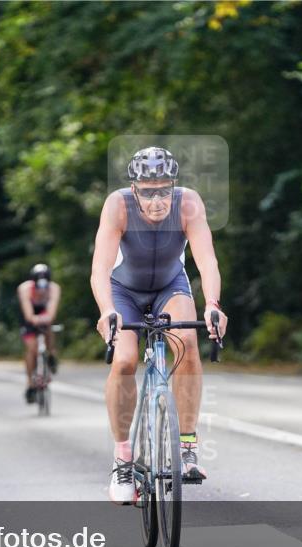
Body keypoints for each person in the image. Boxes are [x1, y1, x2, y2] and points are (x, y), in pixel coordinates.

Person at [90, 146, 228, 504]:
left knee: (187, 340)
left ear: (174, 187)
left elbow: (207, 260)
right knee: (123, 362)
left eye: (164, 190)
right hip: (124, 292)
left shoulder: (188, 204)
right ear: (134, 189)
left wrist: (213, 305)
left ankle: (186, 447)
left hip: (170, 285)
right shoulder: (117, 205)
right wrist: (107, 310)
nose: (157, 200)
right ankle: (123, 458)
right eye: (148, 191)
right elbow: (100, 269)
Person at [17, 263, 61, 404]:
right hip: (29, 317)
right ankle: (30, 383)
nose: (42, 291)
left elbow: (52, 311)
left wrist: (47, 318)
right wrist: (33, 319)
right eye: (38, 287)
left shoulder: (54, 289)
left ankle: (52, 355)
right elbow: (28, 313)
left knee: (48, 329)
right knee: (32, 349)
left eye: (45, 287)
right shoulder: (24, 289)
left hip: (44, 313)